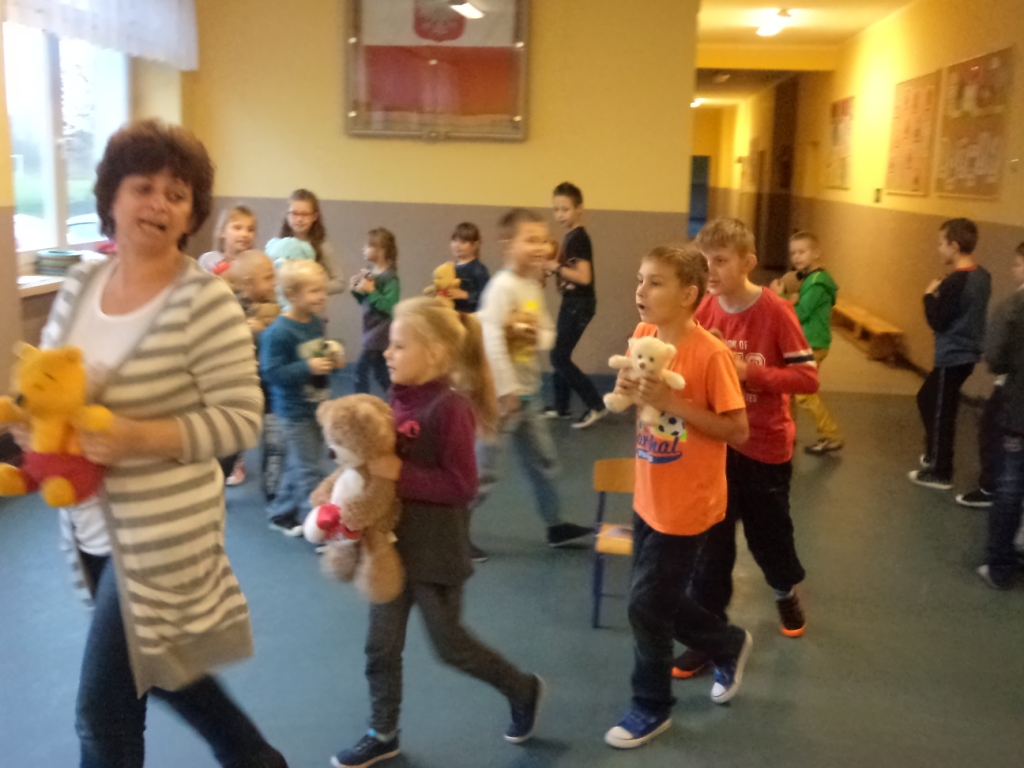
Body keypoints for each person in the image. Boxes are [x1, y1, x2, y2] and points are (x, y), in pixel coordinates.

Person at [15, 119, 287, 768]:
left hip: (164, 534)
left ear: (192, 212)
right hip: (87, 521)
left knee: (101, 715)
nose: (159, 204)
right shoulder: (80, 284)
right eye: (143, 187)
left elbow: (241, 419)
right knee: (165, 672)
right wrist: (32, 425)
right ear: (112, 196)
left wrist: (139, 437)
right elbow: (48, 382)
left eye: (177, 193)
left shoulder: (205, 302)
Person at [332, 297, 543, 768]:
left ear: (436, 353)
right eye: (389, 345)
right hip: (391, 549)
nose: (388, 353)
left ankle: (522, 688)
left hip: (436, 552)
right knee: (380, 646)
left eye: (399, 345)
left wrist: (397, 472)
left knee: (451, 647)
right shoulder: (397, 396)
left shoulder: (450, 408)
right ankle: (382, 731)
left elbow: (461, 485)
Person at [603, 245, 753, 749]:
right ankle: (728, 642)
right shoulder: (643, 334)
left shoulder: (710, 354)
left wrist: (673, 402)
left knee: (646, 606)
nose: (641, 291)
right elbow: (638, 402)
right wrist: (629, 387)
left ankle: (651, 705)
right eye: (640, 279)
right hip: (649, 491)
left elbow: (738, 430)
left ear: (689, 294)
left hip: (689, 502)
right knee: (656, 599)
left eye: (655, 282)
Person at [675, 218, 818, 680]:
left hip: (764, 447)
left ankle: (784, 589)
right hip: (717, 446)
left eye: (720, 261)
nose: (710, 271)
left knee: (769, 539)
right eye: (705, 262)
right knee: (711, 549)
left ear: (747, 263)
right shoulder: (703, 310)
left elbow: (807, 377)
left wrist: (747, 372)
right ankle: (708, 635)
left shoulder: (776, 312)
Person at [475, 208, 593, 548]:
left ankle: (555, 525)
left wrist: (530, 335)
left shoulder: (531, 285)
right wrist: (506, 390)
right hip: (502, 399)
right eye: (530, 240)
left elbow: (548, 334)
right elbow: (490, 340)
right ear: (508, 245)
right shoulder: (501, 288)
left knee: (545, 462)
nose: (540, 247)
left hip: (531, 394)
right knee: (485, 470)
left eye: (543, 240)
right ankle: (452, 533)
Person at [261, 260, 344, 535]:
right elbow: (271, 372)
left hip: (316, 405)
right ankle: (318, 528)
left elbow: (318, 357)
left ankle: (281, 513)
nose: (322, 296)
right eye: (314, 291)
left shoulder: (316, 323)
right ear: (292, 295)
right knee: (311, 470)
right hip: (293, 412)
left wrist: (332, 361)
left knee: (300, 464)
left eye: (323, 290)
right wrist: (306, 367)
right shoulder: (279, 332)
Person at [909, 218, 991, 490]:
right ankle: (934, 453)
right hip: (967, 353)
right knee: (927, 398)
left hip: (953, 355)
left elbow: (938, 321)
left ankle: (940, 470)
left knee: (941, 410)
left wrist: (929, 296)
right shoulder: (982, 276)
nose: (939, 249)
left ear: (954, 246)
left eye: (941, 244)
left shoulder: (954, 282)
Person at [976, 242, 1024, 589]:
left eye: (1019, 264)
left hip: (1019, 408)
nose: (1014, 270)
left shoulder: (1013, 307)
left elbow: (995, 358)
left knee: (1009, 487)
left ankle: (1000, 565)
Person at [544, 182, 608, 428]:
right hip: (571, 302)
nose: (560, 215)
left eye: (566, 209)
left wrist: (556, 268)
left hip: (579, 305)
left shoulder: (579, 237)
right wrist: (556, 270)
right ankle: (561, 407)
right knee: (559, 353)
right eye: (556, 209)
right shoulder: (571, 236)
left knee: (559, 356)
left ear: (579, 209)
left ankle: (596, 405)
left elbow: (584, 277)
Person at [772, 231, 842, 455]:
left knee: (803, 392)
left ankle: (830, 435)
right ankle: (788, 432)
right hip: (804, 342)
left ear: (816, 253)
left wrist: (780, 296)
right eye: (793, 253)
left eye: (802, 252)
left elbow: (800, 313)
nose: (797, 257)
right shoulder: (809, 279)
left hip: (813, 344)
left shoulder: (818, 282)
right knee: (790, 391)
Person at [217, 249, 280, 487]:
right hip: (242, 388)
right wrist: (247, 330)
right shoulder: (231, 309)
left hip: (270, 386)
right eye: (268, 277)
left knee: (275, 442)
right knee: (234, 442)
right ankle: (216, 483)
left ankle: (273, 491)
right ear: (247, 284)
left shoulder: (275, 308)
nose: (274, 282)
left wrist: (269, 330)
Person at [351, 228, 401, 396]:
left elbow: (391, 308)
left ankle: (360, 401)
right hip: (370, 329)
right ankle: (397, 398)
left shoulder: (390, 277)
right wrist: (357, 291)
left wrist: (371, 290)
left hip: (379, 333)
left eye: (368, 246)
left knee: (360, 372)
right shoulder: (370, 272)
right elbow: (366, 302)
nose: (363, 249)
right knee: (381, 374)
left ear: (380, 250)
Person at [274, 188, 345, 294]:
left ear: (314, 216)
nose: (299, 219)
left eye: (305, 214)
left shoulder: (322, 246)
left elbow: (340, 282)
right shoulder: (279, 245)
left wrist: (314, 289)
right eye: (294, 213)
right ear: (287, 215)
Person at [197, 204, 257, 278]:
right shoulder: (208, 260)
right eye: (237, 228)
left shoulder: (255, 266)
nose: (244, 234)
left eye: (250, 230)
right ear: (222, 231)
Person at [449, 222, 491, 314]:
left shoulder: (478, 269)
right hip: (453, 313)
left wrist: (466, 295)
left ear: (475, 245)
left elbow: (487, 295)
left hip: (470, 316)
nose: (457, 245)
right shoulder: (450, 268)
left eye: (463, 242)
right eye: (455, 240)